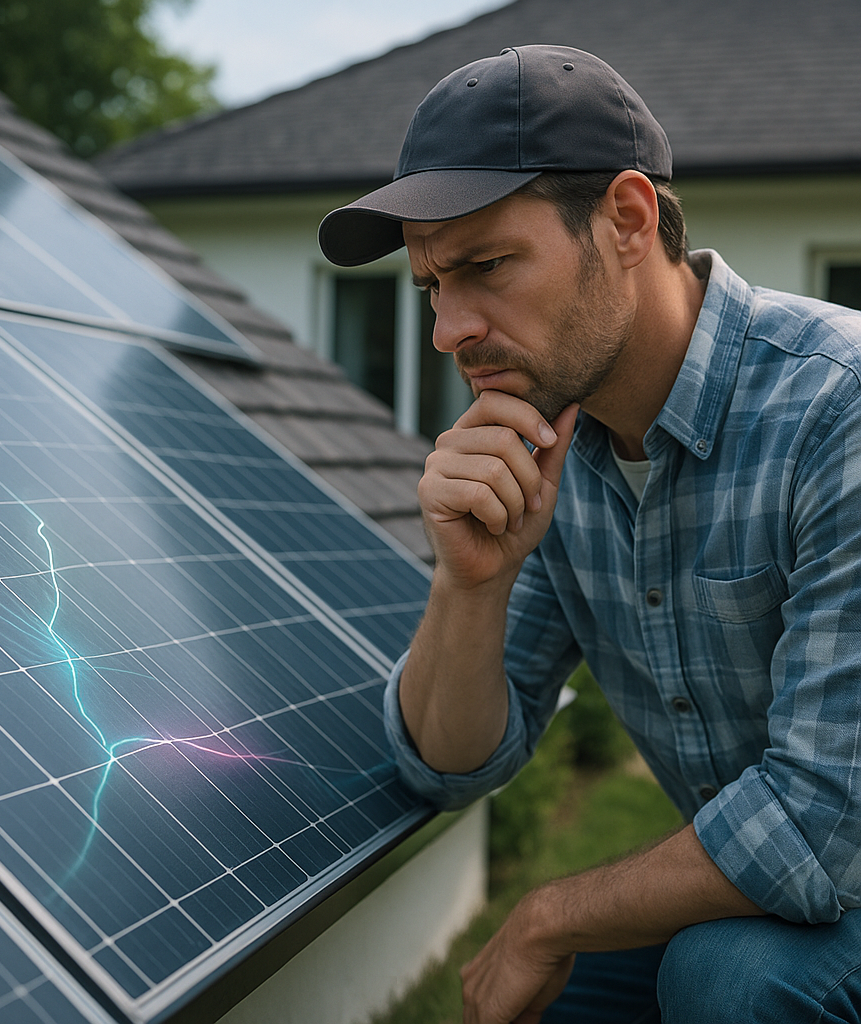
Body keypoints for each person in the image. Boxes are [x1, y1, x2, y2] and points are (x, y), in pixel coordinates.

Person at [318, 45, 861, 1024]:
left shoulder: (837, 408)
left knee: (724, 980)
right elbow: (449, 764)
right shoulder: (553, 445)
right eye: (431, 285)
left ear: (627, 220)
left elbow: (825, 823)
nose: (447, 330)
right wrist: (471, 582)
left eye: (485, 266)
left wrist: (549, 916)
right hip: (790, 889)